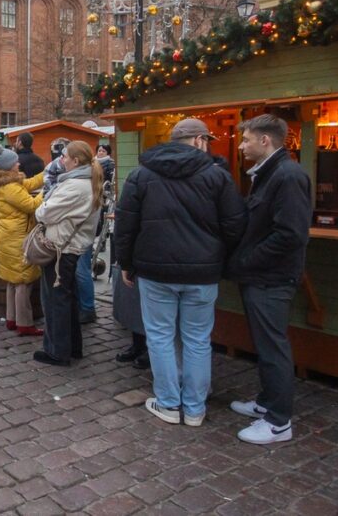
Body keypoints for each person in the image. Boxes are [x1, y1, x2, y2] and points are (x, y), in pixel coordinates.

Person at [113, 118, 247, 427]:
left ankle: (170, 403)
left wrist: (127, 262)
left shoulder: (142, 174)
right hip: (202, 272)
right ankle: (195, 408)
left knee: (160, 337)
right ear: (199, 141)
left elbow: (125, 224)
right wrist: (218, 257)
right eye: (207, 141)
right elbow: (235, 225)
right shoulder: (217, 176)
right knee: (198, 339)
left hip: (155, 270)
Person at [227, 114, 312, 444]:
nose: (242, 144)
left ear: (266, 140)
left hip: (271, 279)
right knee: (265, 344)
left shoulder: (287, 176)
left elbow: (290, 235)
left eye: (247, 139)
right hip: (261, 276)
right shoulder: (270, 173)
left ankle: (279, 422)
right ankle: (266, 404)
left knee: (273, 347)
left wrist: (247, 260)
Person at [33, 141, 102, 366]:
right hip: (69, 247)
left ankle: (57, 351)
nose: (61, 160)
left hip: (61, 249)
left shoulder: (75, 185)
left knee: (55, 300)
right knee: (67, 299)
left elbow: (44, 212)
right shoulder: (85, 181)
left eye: (65, 156)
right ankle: (72, 347)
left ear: (76, 160)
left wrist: (43, 207)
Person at [0, 144, 46, 336]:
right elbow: (32, 205)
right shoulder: (10, 187)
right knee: (23, 280)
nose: (19, 163)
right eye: (15, 161)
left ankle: (12, 319)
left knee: (12, 280)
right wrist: (49, 190)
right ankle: (25, 324)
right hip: (16, 237)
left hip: (8, 236)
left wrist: (46, 174)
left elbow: (29, 184)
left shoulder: (7, 182)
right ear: (9, 166)